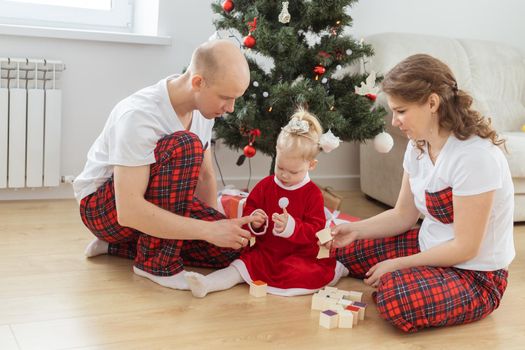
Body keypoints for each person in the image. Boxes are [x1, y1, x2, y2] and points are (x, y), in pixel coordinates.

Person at [327, 54, 515, 332]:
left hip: (475, 275)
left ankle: (414, 279)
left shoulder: (474, 157)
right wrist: (356, 230)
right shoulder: (419, 146)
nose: (394, 121)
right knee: (345, 249)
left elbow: (465, 247)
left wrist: (398, 265)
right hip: (428, 247)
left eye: (401, 111)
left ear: (432, 102)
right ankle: (415, 274)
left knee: (395, 296)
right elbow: (403, 215)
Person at [73, 40, 257, 290]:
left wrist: (217, 228)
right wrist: (207, 231)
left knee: (232, 251)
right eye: (226, 97)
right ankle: (154, 264)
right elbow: (129, 210)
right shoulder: (138, 116)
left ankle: (119, 248)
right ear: (198, 82)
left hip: (156, 202)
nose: (231, 108)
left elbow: (205, 177)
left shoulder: (203, 111)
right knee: (186, 145)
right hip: (104, 210)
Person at [184, 108, 349, 297]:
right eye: (280, 167)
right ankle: (208, 283)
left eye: (293, 172)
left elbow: (316, 229)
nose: (285, 175)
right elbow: (251, 207)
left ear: (311, 165)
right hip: (266, 250)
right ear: (276, 154)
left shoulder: (312, 194)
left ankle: (336, 270)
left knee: (298, 272)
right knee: (241, 264)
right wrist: (255, 219)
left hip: (298, 255)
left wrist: (292, 227)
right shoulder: (266, 185)